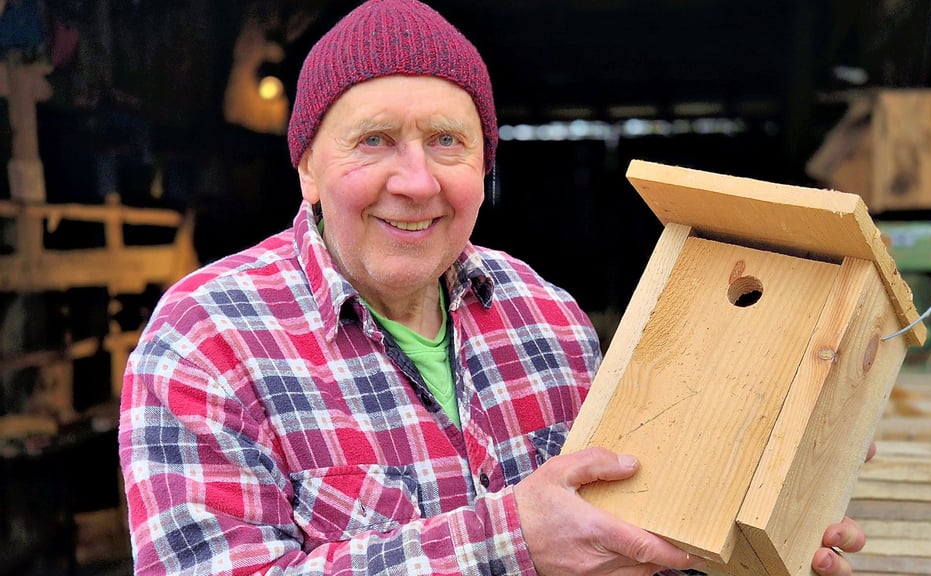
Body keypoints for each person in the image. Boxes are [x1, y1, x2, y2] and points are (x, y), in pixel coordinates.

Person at [118, 1, 869, 574]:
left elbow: (624, 537)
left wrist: (751, 531)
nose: (415, 182)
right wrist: (510, 541)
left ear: (484, 166)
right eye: (373, 140)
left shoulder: (546, 318)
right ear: (308, 166)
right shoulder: (205, 341)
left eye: (448, 141)